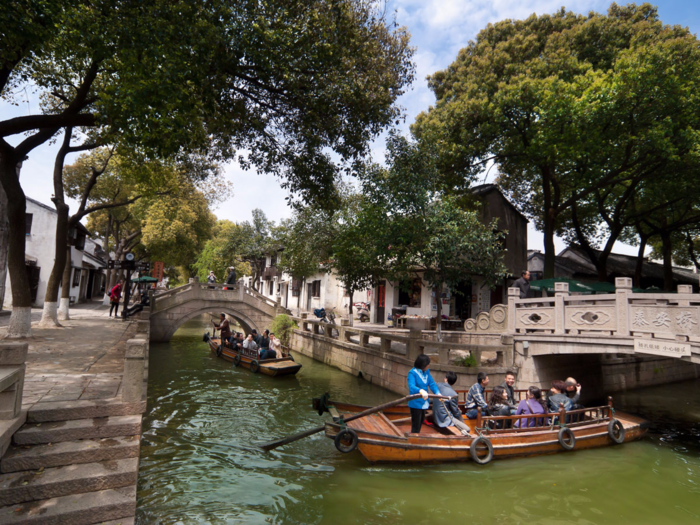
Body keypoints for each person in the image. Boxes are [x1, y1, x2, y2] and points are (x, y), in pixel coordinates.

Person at [407, 354, 441, 434]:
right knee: (416, 423)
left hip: (424, 401)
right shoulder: (412, 373)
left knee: (422, 420)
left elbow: (431, 383)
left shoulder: (426, 372)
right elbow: (411, 386)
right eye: (427, 364)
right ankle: (414, 437)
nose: (428, 366)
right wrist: (420, 390)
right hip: (415, 402)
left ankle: (416, 435)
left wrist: (437, 392)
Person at [432, 371, 473, 436]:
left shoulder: (437, 385)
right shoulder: (453, 394)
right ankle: (465, 431)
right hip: (445, 420)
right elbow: (455, 412)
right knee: (467, 428)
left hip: (435, 417)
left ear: (445, 379)